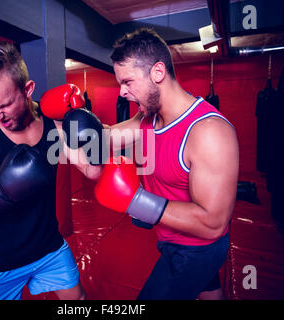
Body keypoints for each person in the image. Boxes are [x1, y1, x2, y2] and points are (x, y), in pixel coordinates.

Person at [0, 41, 99, 300]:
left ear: (27, 89)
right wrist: (0, 194)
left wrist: (90, 132)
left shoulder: (53, 125)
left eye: (3, 105)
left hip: (50, 248)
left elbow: (91, 170)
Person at [94, 28, 239, 300]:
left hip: (194, 248)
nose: (122, 92)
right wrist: (62, 120)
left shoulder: (208, 132)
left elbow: (213, 223)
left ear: (157, 72)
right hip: (171, 237)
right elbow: (105, 138)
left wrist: (135, 201)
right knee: (210, 293)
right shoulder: (147, 119)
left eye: (128, 82)